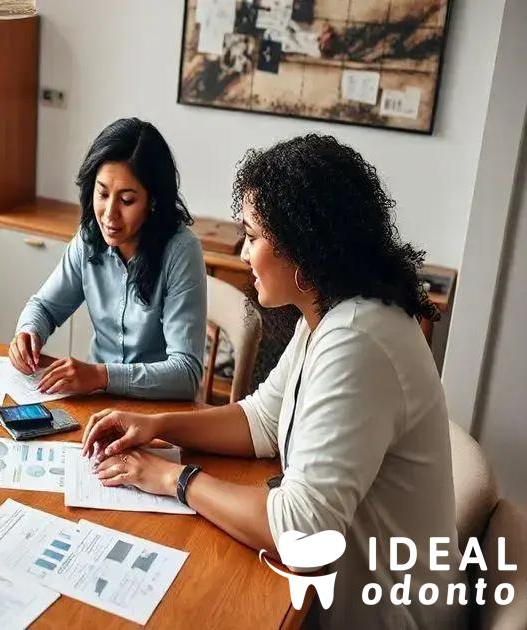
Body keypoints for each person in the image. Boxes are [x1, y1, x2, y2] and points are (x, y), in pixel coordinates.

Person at [81, 134, 460, 629]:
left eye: (253, 236)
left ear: (302, 247)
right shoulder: (329, 315)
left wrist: (173, 479)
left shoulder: (358, 342)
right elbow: (261, 419)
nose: (242, 252)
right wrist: (157, 426)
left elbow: (302, 533)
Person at [9, 118, 207, 400]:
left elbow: (186, 373)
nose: (109, 214)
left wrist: (101, 375)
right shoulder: (89, 238)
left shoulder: (181, 252)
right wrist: (28, 332)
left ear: (153, 201)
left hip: (160, 412)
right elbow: (45, 307)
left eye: (126, 201)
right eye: (102, 194)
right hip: (98, 401)